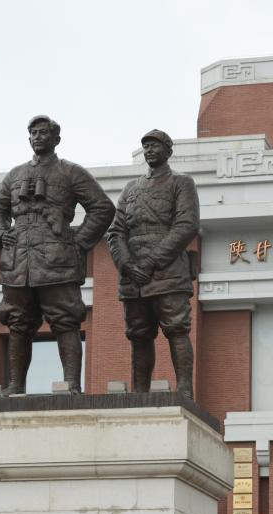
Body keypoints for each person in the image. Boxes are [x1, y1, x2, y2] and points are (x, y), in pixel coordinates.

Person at [0, 115, 114, 395]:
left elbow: (102, 208)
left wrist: (78, 242)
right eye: (33, 133)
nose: (38, 137)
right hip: (18, 262)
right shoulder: (15, 175)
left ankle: (71, 384)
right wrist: (0, 233)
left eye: (43, 132)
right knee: (18, 322)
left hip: (57, 259)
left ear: (56, 139)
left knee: (65, 319)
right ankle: (15, 385)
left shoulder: (71, 172)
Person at [106, 129, 199, 399]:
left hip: (168, 272)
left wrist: (151, 261)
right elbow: (115, 232)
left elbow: (186, 225)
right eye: (145, 146)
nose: (149, 150)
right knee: (139, 334)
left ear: (168, 151)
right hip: (133, 277)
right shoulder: (130, 189)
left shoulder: (181, 183)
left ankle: (184, 390)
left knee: (176, 329)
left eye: (155, 145)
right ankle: (140, 392)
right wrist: (126, 264)